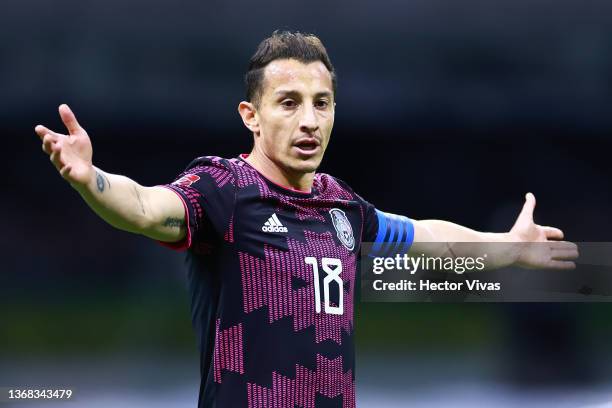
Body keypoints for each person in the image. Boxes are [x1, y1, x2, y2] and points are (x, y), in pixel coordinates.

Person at [34, 31, 577, 408]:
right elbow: (148, 208)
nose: (309, 120)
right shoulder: (223, 189)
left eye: (322, 103)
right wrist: (91, 178)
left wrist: (507, 247)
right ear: (251, 115)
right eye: (289, 102)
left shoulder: (339, 204)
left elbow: (423, 234)